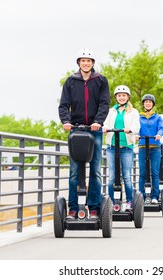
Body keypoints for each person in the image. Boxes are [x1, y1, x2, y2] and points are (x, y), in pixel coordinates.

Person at [58, 48, 110, 220]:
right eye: (83, 61)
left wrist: (98, 122)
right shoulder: (71, 81)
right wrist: (66, 121)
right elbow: (64, 105)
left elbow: (104, 104)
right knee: (74, 171)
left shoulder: (100, 80)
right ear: (79, 63)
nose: (85, 63)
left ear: (93, 63)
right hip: (76, 130)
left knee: (95, 170)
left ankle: (94, 208)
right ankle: (73, 208)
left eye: (88, 61)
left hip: (94, 131)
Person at [103, 85, 140, 210]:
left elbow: (136, 127)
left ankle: (129, 202)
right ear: (116, 97)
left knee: (126, 176)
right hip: (112, 146)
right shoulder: (111, 111)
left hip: (126, 147)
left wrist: (130, 130)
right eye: (119, 95)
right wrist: (104, 128)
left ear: (128, 97)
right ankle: (112, 203)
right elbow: (105, 123)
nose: (121, 97)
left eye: (124, 95)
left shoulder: (133, 112)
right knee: (112, 177)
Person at [137, 94, 163, 204]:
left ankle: (154, 197)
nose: (148, 103)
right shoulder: (139, 117)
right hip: (143, 146)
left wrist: (158, 135)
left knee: (155, 172)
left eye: (150, 102)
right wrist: (136, 135)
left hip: (155, 147)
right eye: (146, 102)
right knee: (142, 172)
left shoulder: (157, 117)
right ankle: (141, 197)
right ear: (143, 104)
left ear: (153, 104)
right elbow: (136, 128)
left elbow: (161, 129)